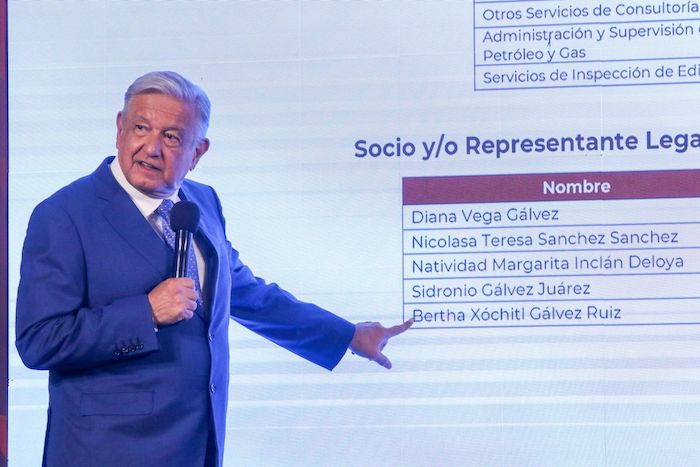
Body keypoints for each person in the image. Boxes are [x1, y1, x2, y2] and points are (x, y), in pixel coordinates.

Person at [15, 71, 412, 467]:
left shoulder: (201, 202)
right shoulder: (64, 215)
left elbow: (242, 291)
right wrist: (146, 313)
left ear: (198, 152)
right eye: (140, 128)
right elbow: (39, 340)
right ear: (120, 128)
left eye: (172, 137)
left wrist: (346, 335)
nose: (152, 148)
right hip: (108, 452)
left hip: (197, 446)